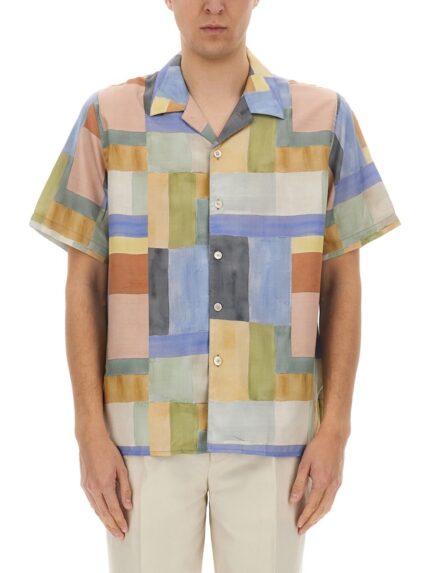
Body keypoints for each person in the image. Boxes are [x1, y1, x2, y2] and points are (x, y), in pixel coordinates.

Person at [28, 1, 401, 571]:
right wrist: (88, 431)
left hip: (276, 432)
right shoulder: (109, 118)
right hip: (141, 435)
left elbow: (342, 283)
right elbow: (83, 283)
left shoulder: (324, 120)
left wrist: (336, 429)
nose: (213, 5)